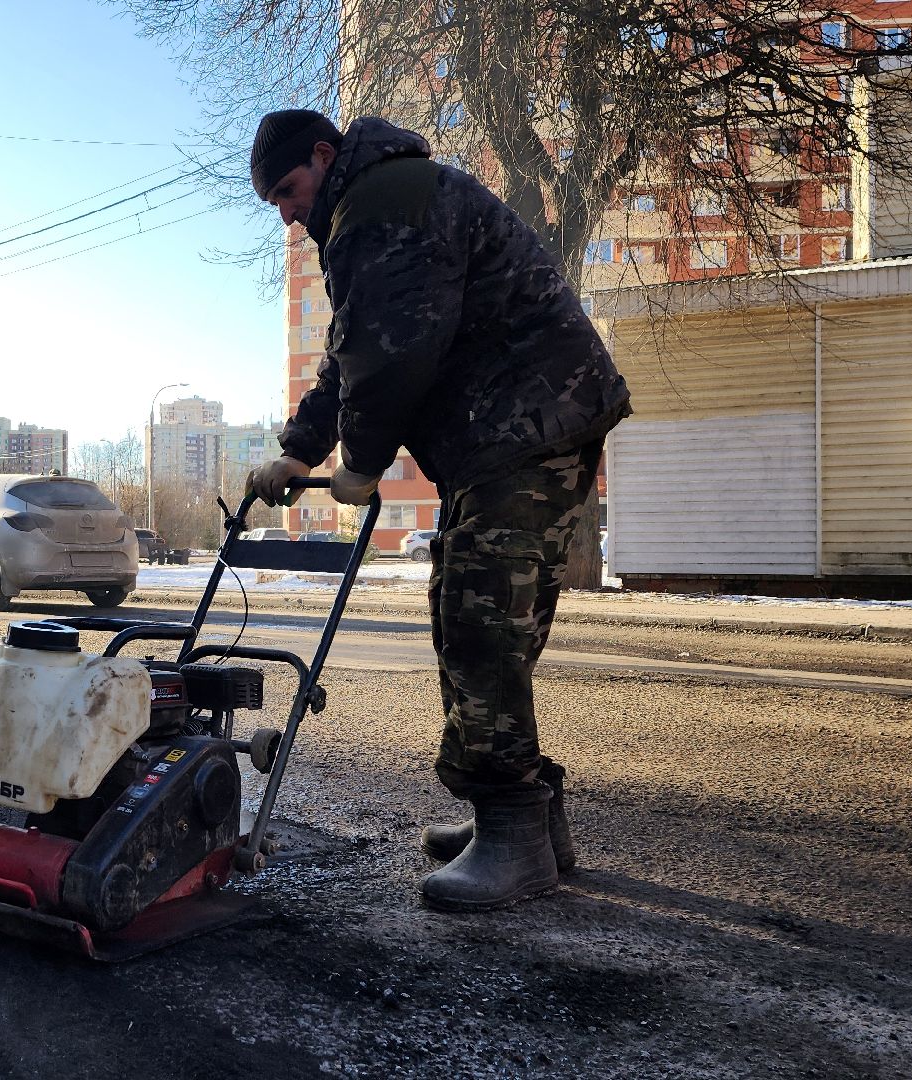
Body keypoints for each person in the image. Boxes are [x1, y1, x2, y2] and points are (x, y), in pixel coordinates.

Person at [244, 109, 631, 912]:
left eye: (287, 189)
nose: (284, 210)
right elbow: (354, 346)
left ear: (325, 156)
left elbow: (393, 352)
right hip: (519, 426)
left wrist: (360, 461)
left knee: (479, 621)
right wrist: (301, 450)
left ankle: (515, 833)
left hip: (525, 422)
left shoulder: (383, 200)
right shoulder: (375, 204)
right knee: (484, 616)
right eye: (273, 201)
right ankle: (529, 822)